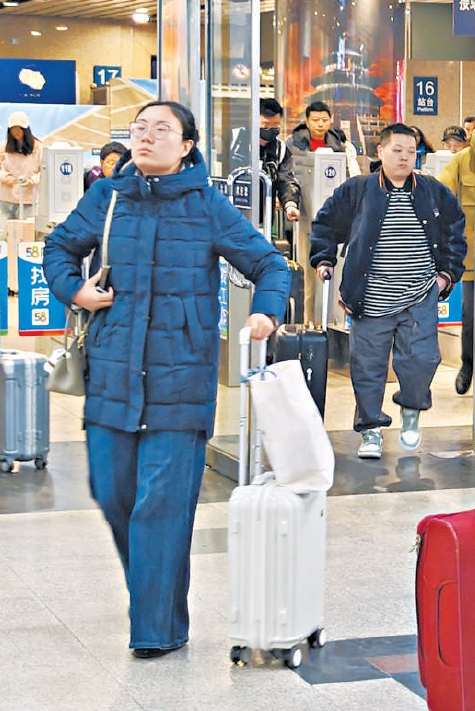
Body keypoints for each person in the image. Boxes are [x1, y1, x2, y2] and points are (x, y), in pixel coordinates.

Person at [42, 100, 290, 659]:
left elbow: (270, 264)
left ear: (187, 146)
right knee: (113, 495)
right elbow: (60, 247)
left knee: (160, 506)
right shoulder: (107, 197)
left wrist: (266, 312)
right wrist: (75, 290)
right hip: (112, 373)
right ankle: (160, 604)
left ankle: (155, 629)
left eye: (161, 129)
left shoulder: (207, 205)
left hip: (182, 378)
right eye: (139, 129)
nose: (146, 137)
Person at [311, 123, 466, 459]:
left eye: (411, 152)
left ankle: (411, 412)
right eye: (397, 150)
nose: (405, 157)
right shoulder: (358, 190)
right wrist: (323, 259)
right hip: (370, 297)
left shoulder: (432, 191)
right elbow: (326, 224)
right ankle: (370, 430)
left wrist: (446, 275)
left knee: (422, 360)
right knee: (368, 367)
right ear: (380, 152)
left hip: (419, 295)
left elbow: (455, 231)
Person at [438, 130, 475, 395]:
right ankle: (468, 364)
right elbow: (442, 195)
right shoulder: (463, 160)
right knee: (471, 315)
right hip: (474, 255)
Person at [0, 111, 42, 229]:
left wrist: (31, 180)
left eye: (20, 128)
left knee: (27, 235)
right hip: (6, 200)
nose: (16, 132)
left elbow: (44, 171)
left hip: (29, 201)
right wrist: (6, 177)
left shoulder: (38, 147)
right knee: (2, 233)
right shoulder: (4, 146)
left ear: (26, 129)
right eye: (13, 129)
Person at [285, 100, 361, 176]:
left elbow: (345, 174)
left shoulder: (338, 145)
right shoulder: (292, 143)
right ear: (307, 122)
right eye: (315, 120)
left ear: (330, 121)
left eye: (325, 120)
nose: (320, 124)